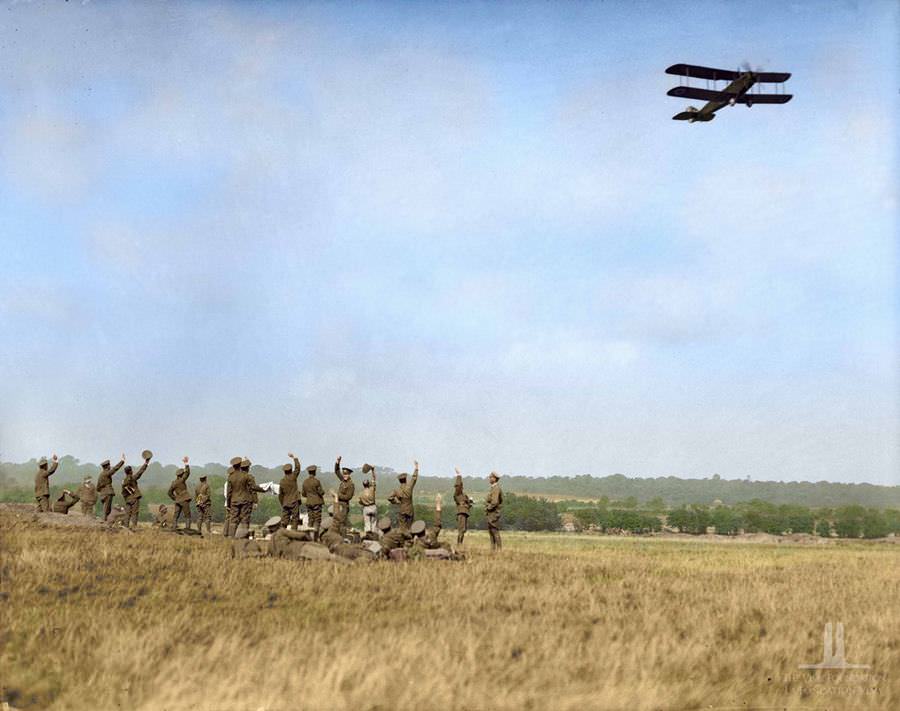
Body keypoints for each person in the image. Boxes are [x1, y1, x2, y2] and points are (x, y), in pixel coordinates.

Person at [231, 457, 265, 537]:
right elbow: (253, 489)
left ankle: (231, 536)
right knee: (245, 520)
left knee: (233, 520)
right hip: (246, 501)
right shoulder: (249, 477)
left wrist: (229, 503)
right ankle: (243, 537)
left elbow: (229, 492)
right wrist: (264, 490)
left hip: (234, 500)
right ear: (248, 468)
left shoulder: (231, 477)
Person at [121, 451, 152, 530]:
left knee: (127, 513)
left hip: (127, 499)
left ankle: (125, 526)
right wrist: (146, 463)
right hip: (134, 498)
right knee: (135, 512)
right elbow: (140, 472)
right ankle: (134, 527)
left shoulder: (124, 480)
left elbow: (123, 491)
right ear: (131, 471)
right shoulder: (132, 478)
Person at [387, 460, 418, 531]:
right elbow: (414, 478)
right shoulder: (409, 487)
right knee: (410, 527)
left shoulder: (396, 491)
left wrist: (396, 502)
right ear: (406, 479)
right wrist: (416, 468)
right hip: (410, 510)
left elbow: (389, 497)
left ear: (399, 481)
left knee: (402, 528)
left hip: (402, 510)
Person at [97, 455, 125, 521]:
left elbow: (97, 487)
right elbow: (115, 469)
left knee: (106, 508)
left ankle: (105, 521)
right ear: (107, 466)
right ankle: (104, 522)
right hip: (108, 493)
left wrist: (102, 491)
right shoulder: (106, 473)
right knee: (107, 509)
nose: (110, 466)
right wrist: (122, 461)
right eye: (109, 465)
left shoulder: (101, 475)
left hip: (103, 493)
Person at [167, 456, 192, 530]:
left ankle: (174, 527)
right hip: (184, 499)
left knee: (176, 515)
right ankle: (187, 529)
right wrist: (186, 463)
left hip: (178, 500)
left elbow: (169, 492)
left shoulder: (173, 483)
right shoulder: (182, 480)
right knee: (187, 515)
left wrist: (175, 498)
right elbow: (187, 473)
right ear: (181, 475)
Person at [278, 453, 302, 529]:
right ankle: (294, 534)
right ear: (291, 470)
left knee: (284, 520)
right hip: (294, 501)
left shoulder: (282, 481)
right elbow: (298, 468)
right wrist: (294, 458)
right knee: (295, 519)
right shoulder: (293, 477)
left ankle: (282, 534)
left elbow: (280, 495)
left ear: (284, 471)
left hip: (285, 503)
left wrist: (283, 503)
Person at [333, 455, 355, 534]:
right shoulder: (343, 480)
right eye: (344, 474)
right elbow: (336, 471)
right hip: (339, 504)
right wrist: (338, 462)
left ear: (349, 475)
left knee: (342, 522)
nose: (345, 475)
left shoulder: (350, 484)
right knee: (338, 521)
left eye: (347, 474)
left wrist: (337, 495)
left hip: (344, 506)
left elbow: (348, 497)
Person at [301, 464, 325, 539]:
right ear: (314, 472)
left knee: (310, 519)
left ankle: (309, 537)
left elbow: (303, 494)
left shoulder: (305, 482)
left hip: (308, 502)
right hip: (317, 502)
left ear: (309, 472)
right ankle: (315, 537)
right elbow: (321, 492)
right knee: (317, 520)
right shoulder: (316, 481)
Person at [453, 466, 473, 545]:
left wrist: (470, 502)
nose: (461, 487)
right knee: (461, 530)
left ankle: (460, 544)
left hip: (465, 513)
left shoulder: (464, 496)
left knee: (463, 530)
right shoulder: (457, 494)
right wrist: (459, 475)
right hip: (461, 513)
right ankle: (459, 545)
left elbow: (468, 505)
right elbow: (458, 486)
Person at [224, 456, 243, 537]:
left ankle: (227, 533)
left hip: (230, 501)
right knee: (233, 519)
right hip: (233, 501)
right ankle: (231, 534)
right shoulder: (231, 481)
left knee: (229, 519)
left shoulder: (228, 481)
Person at [358, 464, 378, 537]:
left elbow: (360, 502)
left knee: (367, 525)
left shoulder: (361, 493)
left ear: (363, 485)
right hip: (373, 507)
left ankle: (367, 538)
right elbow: (374, 478)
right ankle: (374, 537)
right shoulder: (372, 489)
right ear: (368, 484)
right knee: (374, 524)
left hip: (366, 508)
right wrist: (372, 470)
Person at [485, 471, 503, 551]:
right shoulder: (493, 488)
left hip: (493, 513)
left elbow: (495, 502)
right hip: (491, 513)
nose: (489, 478)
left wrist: (488, 508)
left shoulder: (496, 488)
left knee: (494, 531)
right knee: (491, 531)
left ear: (494, 479)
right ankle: (493, 549)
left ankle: (498, 549)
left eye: (491, 477)